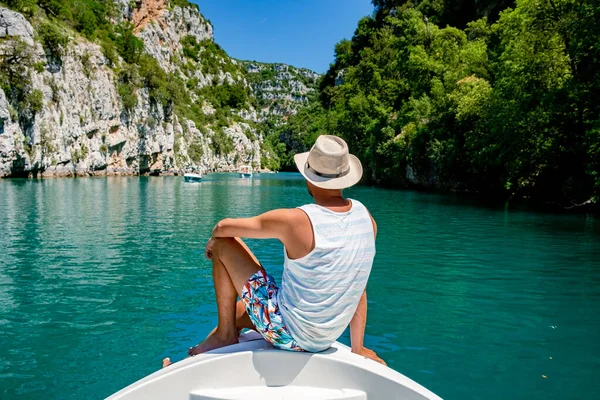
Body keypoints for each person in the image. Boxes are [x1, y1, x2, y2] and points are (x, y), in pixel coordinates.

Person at [164, 135, 384, 367]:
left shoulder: (297, 220)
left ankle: (222, 339)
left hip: (289, 334)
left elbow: (223, 226)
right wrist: (357, 348)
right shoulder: (366, 219)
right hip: (325, 337)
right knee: (238, 311)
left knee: (223, 243)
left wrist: (213, 239)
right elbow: (358, 284)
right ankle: (214, 341)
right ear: (344, 179)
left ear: (309, 178)